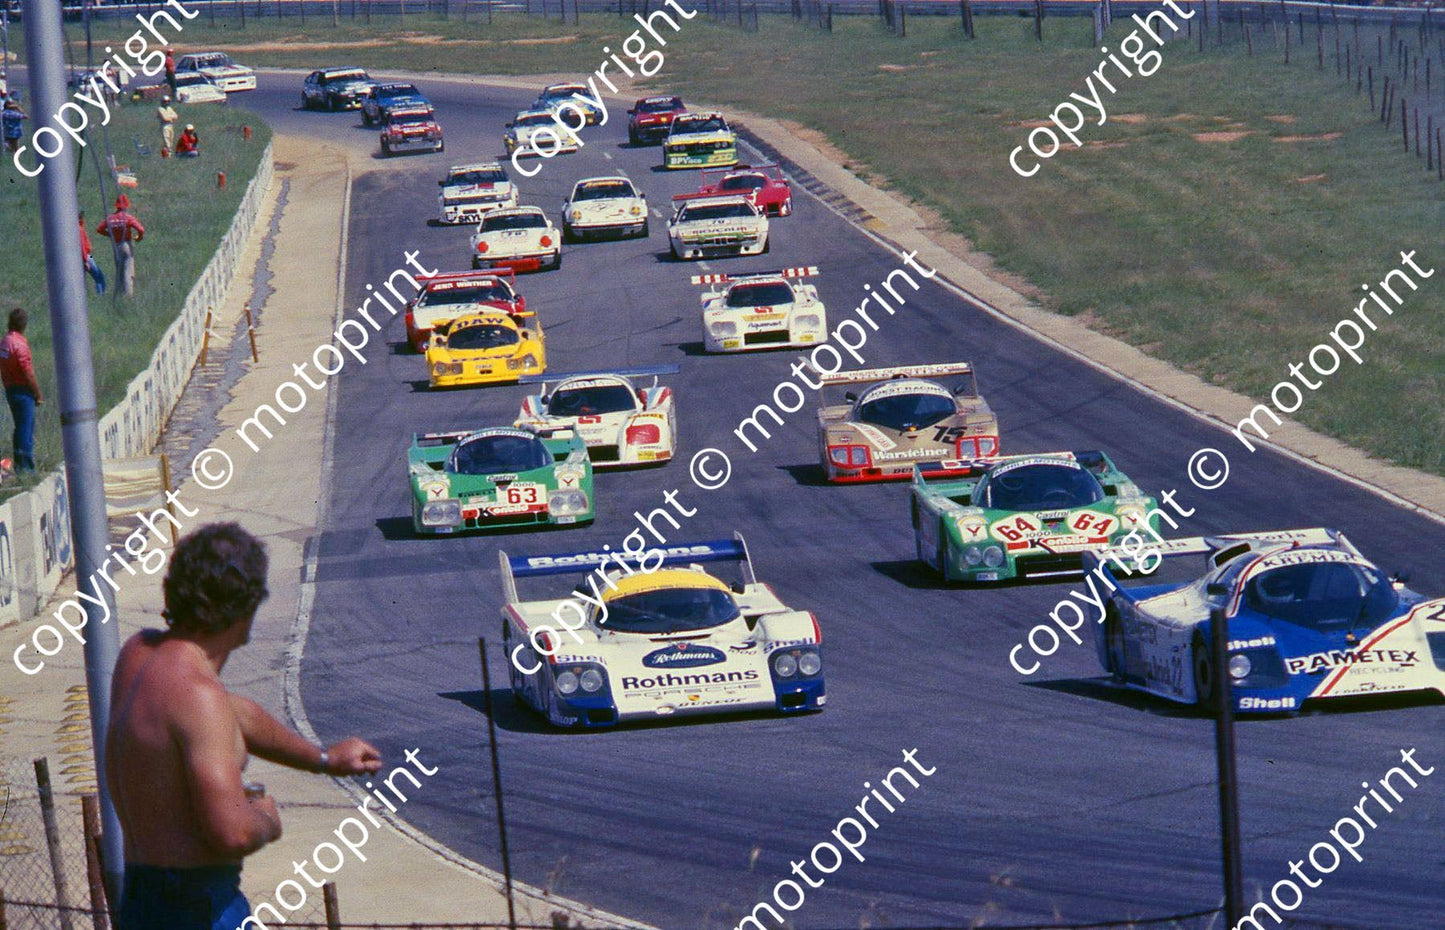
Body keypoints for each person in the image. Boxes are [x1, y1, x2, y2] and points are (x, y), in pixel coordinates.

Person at [106, 523, 383, 930]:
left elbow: (236, 714)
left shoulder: (139, 656)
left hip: (142, 903)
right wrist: (266, 819)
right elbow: (232, 833)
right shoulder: (199, 696)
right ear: (246, 608)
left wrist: (324, 759)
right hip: (200, 909)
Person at [0, 308, 42, 473]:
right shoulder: (20, 345)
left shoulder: (5, 342)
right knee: (26, 429)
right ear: (23, 324)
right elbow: (27, 372)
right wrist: (37, 393)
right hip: (23, 390)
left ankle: (19, 464)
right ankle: (26, 468)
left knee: (19, 428)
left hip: (10, 388)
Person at [98, 195, 145, 297]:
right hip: (126, 244)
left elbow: (99, 229)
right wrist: (139, 237)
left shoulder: (110, 218)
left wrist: (110, 235)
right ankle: (128, 296)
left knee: (119, 271)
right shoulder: (128, 218)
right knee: (128, 271)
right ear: (126, 206)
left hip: (116, 246)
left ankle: (118, 294)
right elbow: (141, 229)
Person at [78, 212, 107, 295]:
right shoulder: (78, 229)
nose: (82, 217)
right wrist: (85, 260)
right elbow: (82, 245)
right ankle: (101, 295)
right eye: (81, 216)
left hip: (83, 256)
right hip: (86, 256)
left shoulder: (76, 227)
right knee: (98, 276)